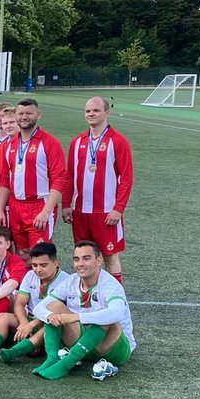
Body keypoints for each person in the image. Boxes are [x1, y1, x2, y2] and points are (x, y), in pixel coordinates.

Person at [31, 241, 136, 381]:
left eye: (86, 258)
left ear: (99, 260)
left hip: (110, 349)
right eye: (76, 259)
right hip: (83, 345)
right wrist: (50, 316)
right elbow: (39, 308)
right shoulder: (71, 280)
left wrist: (76, 317)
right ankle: (51, 359)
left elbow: (116, 313)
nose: (80, 263)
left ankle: (65, 365)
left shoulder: (110, 284)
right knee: (54, 306)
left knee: (106, 317)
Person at [63, 96, 134, 282]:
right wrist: (65, 205)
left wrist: (118, 209)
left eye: (96, 110)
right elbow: (69, 176)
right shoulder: (77, 142)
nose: (91, 114)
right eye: (88, 111)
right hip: (80, 212)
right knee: (83, 257)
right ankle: (88, 297)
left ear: (106, 113)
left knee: (110, 257)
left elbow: (126, 178)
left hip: (106, 213)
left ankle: (116, 302)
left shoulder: (118, 141)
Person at [0, 241, 70, 362]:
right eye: (34, 265)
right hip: (30, 320)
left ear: (56, 263)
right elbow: (19, 303)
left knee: (49, 326)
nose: (38, 269)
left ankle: (14, 352)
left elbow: (59, 313)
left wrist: (30, 326)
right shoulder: (31, 275)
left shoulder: (66, 280)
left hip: (52, 323)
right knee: (3, 317)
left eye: (43, 265)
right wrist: (23, 323)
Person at [0, 98, 66, 258]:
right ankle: (26, 284)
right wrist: (0, 211)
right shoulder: (7, 146)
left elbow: (59, 179)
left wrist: (46, 212)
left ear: (38, 115)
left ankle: (45, 284)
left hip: (38, 205)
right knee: (23, 254)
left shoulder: (49, 143)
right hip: (15, 207)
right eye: (20, 113)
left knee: (41, 257)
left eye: (29, 113)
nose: (24, 117)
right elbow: (4, 181)